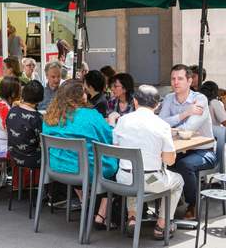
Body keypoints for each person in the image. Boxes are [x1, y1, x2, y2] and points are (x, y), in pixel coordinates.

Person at [42, 80, 118, 226]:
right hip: (84, 170)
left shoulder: (49, 117)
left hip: (57, 168)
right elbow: (108, 138)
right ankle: (101, 215)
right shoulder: (90, 115)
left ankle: (85, 202)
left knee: (76, 159)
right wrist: (112, 122)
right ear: (80, 96)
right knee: (117, 165)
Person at [113, 85, 184, 239]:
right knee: (178, 180)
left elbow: (116, 147)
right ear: (157, 105)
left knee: (134, 173)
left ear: (135, 101)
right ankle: (162, 225)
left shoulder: (123, 120)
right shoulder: (162, 125)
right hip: (151, 180)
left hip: (124, 179)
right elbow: (169, 161)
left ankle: (132, 218)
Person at [158, 64, 215, 220]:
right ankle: (164, 203)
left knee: (184, 165)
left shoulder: (200, 99)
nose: (176, 82)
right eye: (173, 79)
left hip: (203, 151)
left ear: (190, 81)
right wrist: (185, 114)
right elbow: (160, 122)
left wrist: (172, 126)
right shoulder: (169, 98)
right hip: (177, 149)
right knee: (158, 160)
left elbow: (188, 130)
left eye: (180, 78)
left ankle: (193, 204)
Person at [7, 79, 44, 169]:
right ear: (40, 98)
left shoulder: (12, 110)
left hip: (13, 156)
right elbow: (42, 141)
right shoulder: (37, 117)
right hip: (32, 160)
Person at [200, 80, 226, 164]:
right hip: (213, 138)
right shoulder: (214, 103)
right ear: (214, 92)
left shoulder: (198, 100)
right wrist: (225, 105)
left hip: (199, 137)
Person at [0, 76, 21, 159]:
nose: (20, 94)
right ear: (13, 94)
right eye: (19, 91)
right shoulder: (3, 107)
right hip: (0, 148)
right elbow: (13, 130)